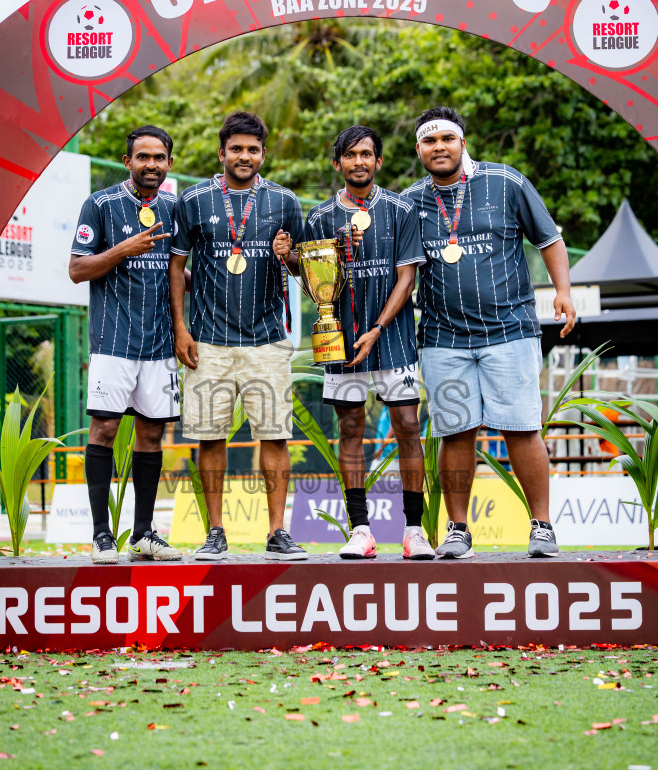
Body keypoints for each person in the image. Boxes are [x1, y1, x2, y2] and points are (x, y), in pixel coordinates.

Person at [403, 106, 576, 559]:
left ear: (463, 142)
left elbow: (549, 239)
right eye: (429, 141)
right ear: (419, 149)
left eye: (447, 139)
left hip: (509, 330)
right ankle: (458, 531)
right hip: (443, 337)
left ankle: (542, 527)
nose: (439, 147)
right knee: (456, 432)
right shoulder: (411, 201)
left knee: (521, 428)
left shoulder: (507, 182)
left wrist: (564, 292)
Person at [169, 111, 307, 561]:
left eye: (252, 149)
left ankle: (277, 532)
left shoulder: (285, 201)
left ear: (263, 154)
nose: (244, 156)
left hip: (267, 339)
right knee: (210, 438)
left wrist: (290, 258)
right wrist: (180, 328)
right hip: (207, 340)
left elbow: (305, 269)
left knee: (275, 436)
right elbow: (176, 267)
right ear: (221, 152)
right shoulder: (193, 200)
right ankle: (215, 532)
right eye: (236, 149)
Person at [304, 125, 432, 560]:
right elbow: (317, 288)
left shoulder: (401, 209)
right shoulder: (320, 219)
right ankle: (360, 530)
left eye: (366, 154)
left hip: (392, 338)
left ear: (378, 161)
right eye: (350, 155)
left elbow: (407, 277)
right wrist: (302, 261)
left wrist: (377, 326)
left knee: (408, 429)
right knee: (351, 430)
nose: (359, 161)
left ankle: (414, 530)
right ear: (337, 163)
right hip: (340, 342)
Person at [69, 125, 183, 565]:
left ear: (169, 164)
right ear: (127, 162)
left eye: (159, 158)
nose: (151, 165)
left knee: (152, 434)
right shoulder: (99, 204)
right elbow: (78, 270)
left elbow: (177, 273)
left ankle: (143, 534)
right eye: (143, 157)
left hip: (159, 346)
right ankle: (102, 536)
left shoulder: (175, 209)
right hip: (113, 343)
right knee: (105, 430)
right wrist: (124, 249)